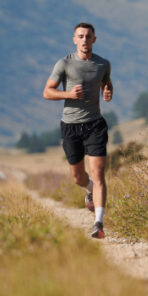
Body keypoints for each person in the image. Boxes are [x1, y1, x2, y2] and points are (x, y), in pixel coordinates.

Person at [44, 22, 114, 238]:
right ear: (74, 40)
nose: (84, 40)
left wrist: (107, 91)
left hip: (95, 124)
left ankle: (98, 223)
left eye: (88, 36)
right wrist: (68, 95)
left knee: (98, 173)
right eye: (80, 36)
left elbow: (106, 83)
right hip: (70, 125)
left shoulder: (103, 64)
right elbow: (47, 92)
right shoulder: (64, 64)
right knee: (78, 177)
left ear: (94, 39)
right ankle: (89, 189)